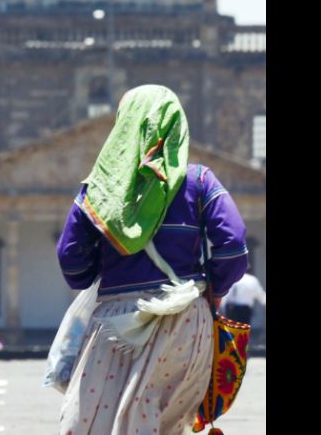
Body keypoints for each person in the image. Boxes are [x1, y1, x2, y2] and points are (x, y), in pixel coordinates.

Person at [55, 85, 249, 435]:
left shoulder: (97, 190)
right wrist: (213, 289)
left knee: (94, 424)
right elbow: (233, 246)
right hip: (186, 320)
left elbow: (71, 261)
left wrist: (99, 269)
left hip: (116, 323)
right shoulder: (200, 180)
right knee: (167, 426)